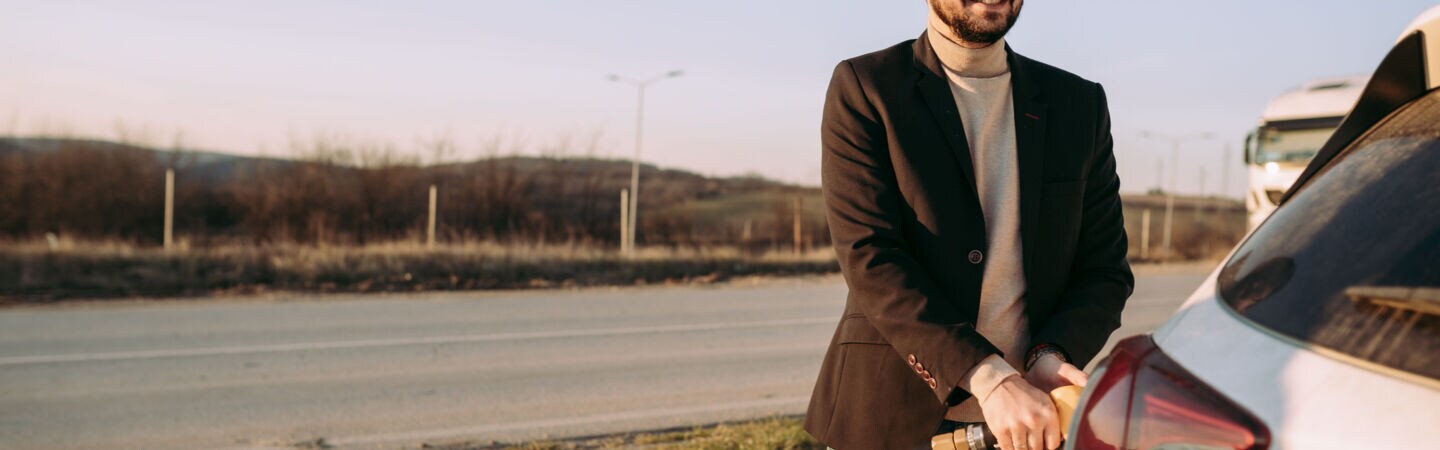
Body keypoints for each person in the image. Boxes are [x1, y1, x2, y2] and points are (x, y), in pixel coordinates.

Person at [803, 1, 1134, 449]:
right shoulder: (866, 86)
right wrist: (988, 375)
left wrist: (1051, 352)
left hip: (1035, 425)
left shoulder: (1079, 103)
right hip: (891, 421)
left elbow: (1105, 269)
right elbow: (870, 258)